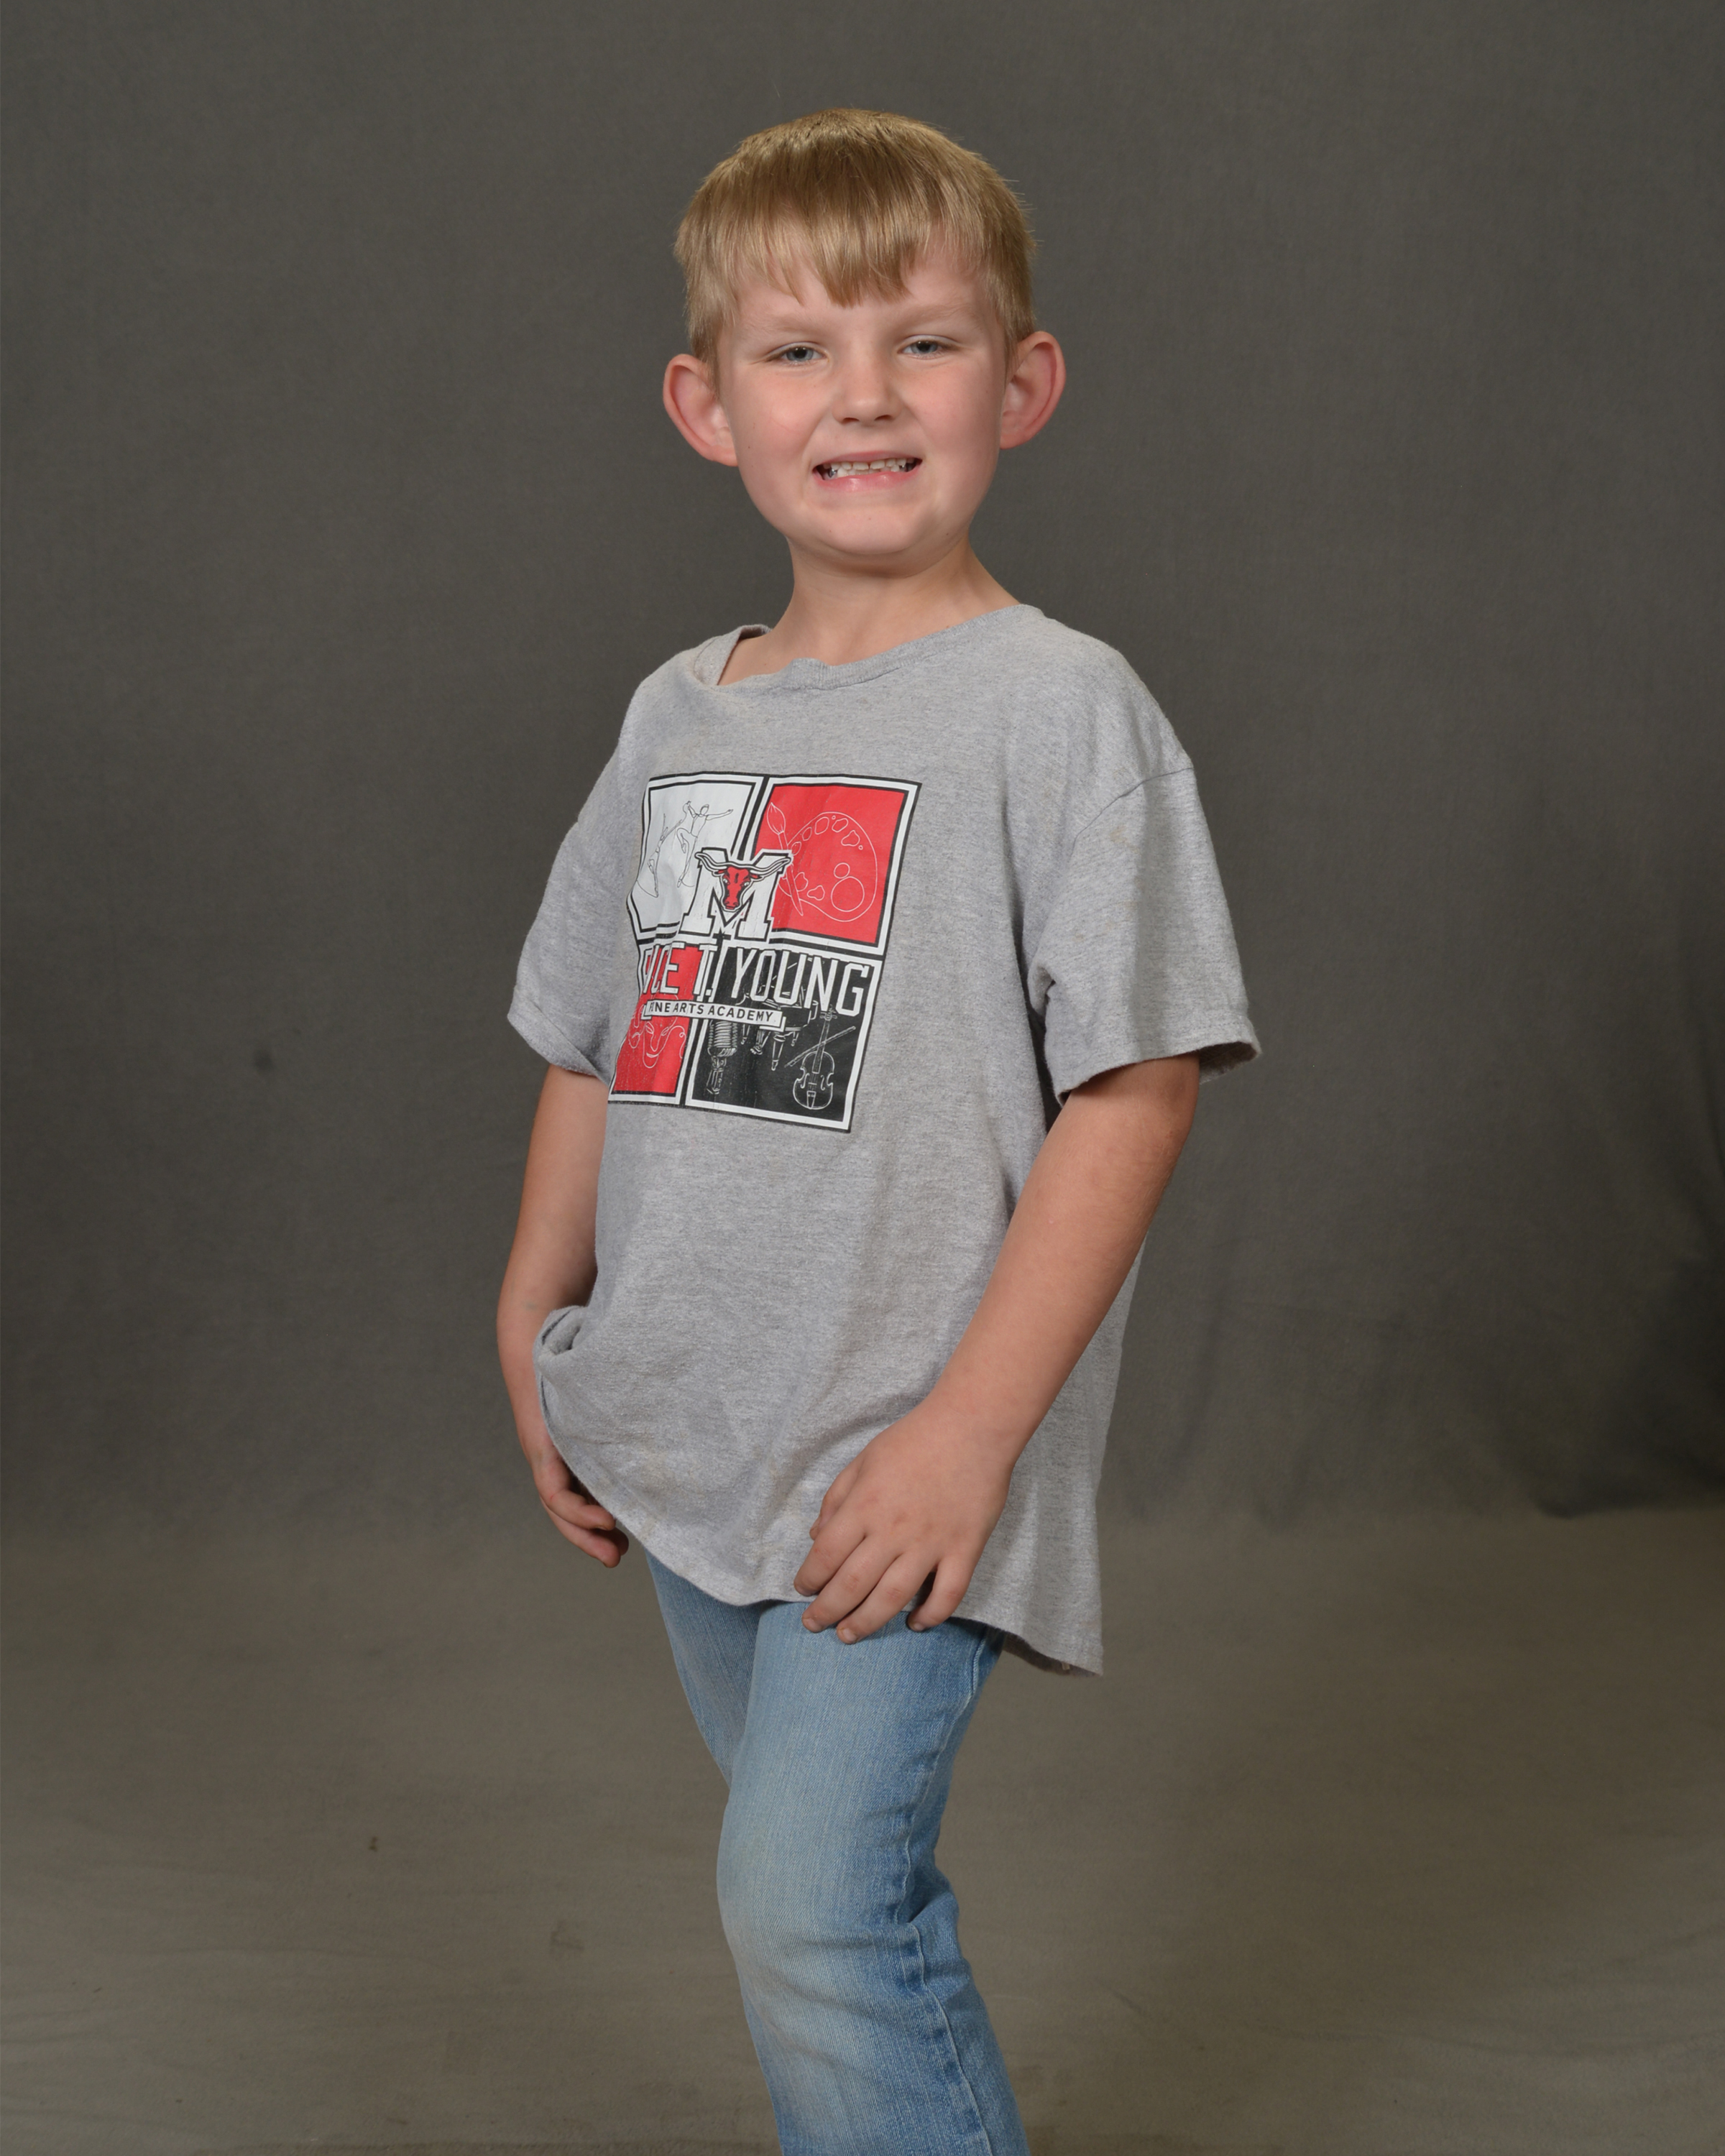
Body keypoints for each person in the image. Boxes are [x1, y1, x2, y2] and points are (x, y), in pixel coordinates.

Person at [497, 107, 1258, 2156]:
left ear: (1022, 382)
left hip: (905, 1441)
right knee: (822, 1908)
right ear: (707, 406)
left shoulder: (1058, 711)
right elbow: (598, 1030)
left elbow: (1136, 1087)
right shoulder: (680, 714)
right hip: (687, 1412)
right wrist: (532, 1308)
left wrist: (966, 1439)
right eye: (798, 350)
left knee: (811, 1909)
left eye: (923, 343)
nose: (863, 397)